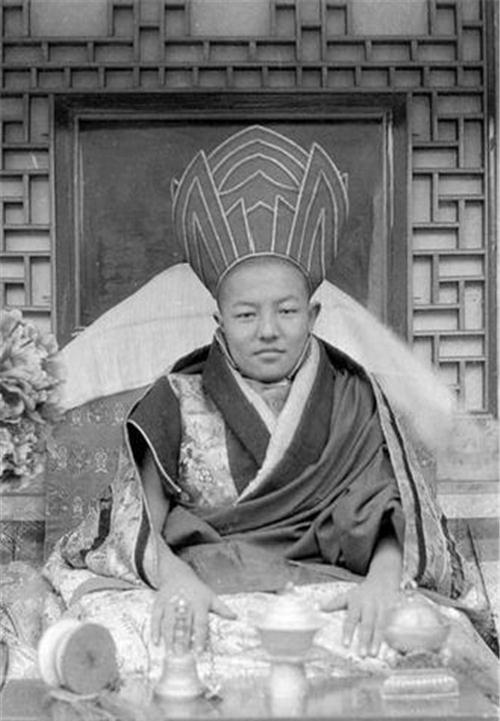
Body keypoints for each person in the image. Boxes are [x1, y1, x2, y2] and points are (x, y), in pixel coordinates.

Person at [46, 125, 496, 660]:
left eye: (286, 311)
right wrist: (176, 581)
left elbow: (389, 513)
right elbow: (134, 521)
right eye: (245, 315)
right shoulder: (175, 397)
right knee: (120, 638)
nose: (267, 330)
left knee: (424, 636)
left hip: (328, 590)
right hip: (204, 586)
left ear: (313, 315)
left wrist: (383, 582)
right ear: (219, 321)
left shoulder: (352, 395)